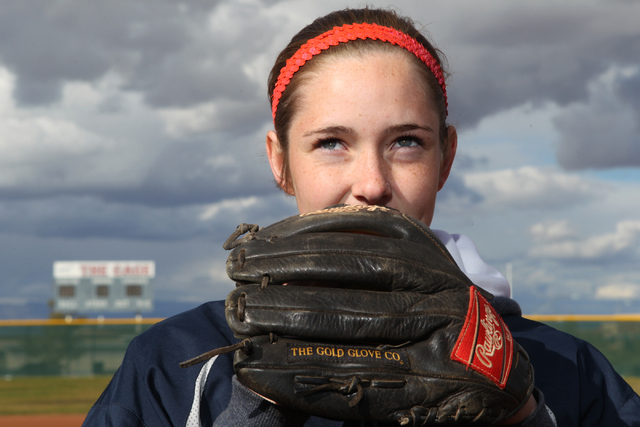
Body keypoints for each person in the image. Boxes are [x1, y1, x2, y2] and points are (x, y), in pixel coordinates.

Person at [83, 7, 640, 427]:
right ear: (281, 163)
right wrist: (251, 411)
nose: (371, 184)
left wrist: (522, 415)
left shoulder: (563, 368)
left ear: (445, 157)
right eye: (330, 143)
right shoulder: (179, 362)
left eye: (406, 142)